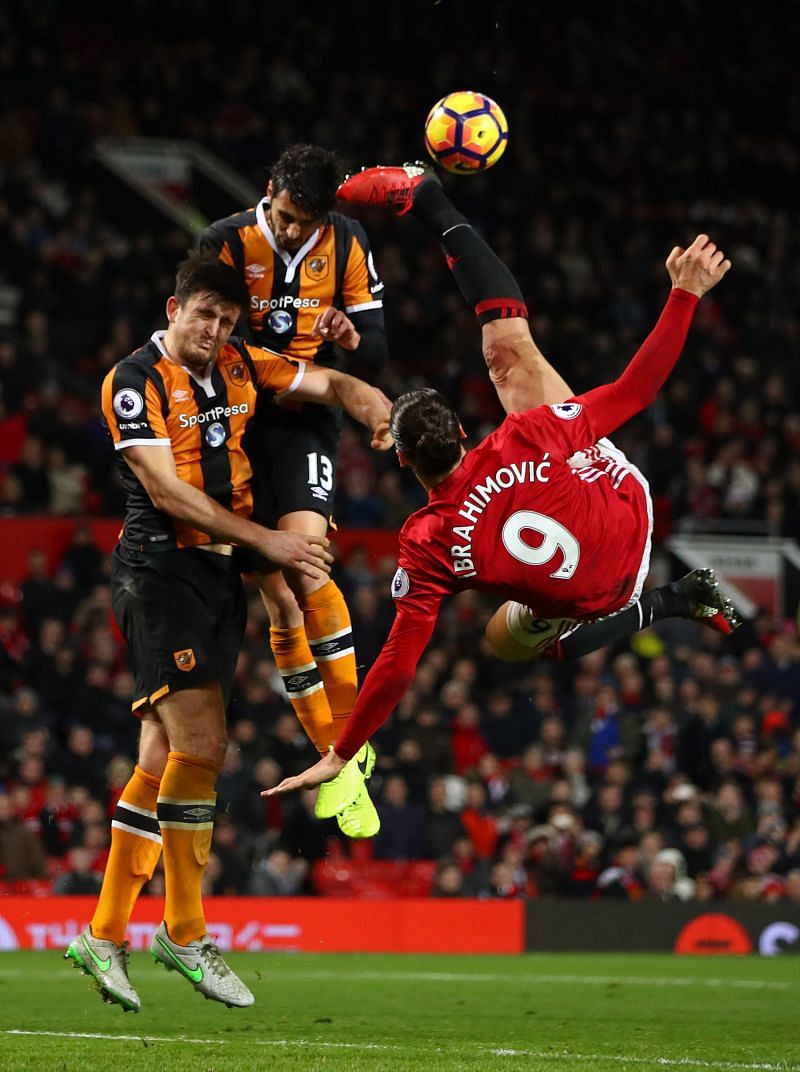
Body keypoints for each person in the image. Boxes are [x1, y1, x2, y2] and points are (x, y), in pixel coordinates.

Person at [265, 166, 736, 799]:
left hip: (601, 595)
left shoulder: (427, 543)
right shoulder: (528, 434)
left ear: (401, 461)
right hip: (627, 508)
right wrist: (684, 295)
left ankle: (670, 601)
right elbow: (638, 389)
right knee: (511, 355)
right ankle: (432, 203)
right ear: (461, 429)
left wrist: (342, 753)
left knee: (511, 644)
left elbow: (399, 665)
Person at [65, 252, 390, 1013]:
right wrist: (269, 541)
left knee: (160, 760)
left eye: (226, 319)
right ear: (173, 308)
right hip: (159, 573)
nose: (214, 329)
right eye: (203, 315)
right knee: (202, 747)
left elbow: (326, 384)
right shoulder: (133, 380)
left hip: (220, 578)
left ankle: (103, 933)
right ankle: (184, 930)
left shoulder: (242, 362)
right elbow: (167, 492)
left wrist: (377, 408)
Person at [200, 144, 388, 838]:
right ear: (269, 189)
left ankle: (347, 749)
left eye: (304, 225)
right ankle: (340, 760)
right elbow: (205, 336)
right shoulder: (224, 240)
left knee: (306, 567)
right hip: (236, 420)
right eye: (284, 218)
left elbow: (377, 348)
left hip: (306, 416)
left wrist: (349, 335)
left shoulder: (345, 243)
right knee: (276, 597)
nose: (290, 233)